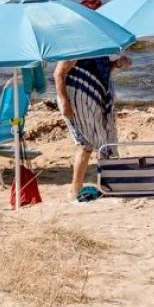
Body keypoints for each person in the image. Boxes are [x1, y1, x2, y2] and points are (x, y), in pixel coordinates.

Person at [55, 32, 131, 197]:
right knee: (85, 145)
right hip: (78, 101)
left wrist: (117, 64)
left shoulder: (100, 46)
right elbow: (58, 74)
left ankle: (110, 186)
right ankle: (74, 191)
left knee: (107, 143)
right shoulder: (76, 46)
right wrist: (65, 103)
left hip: (98, 100)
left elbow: (101, 71)